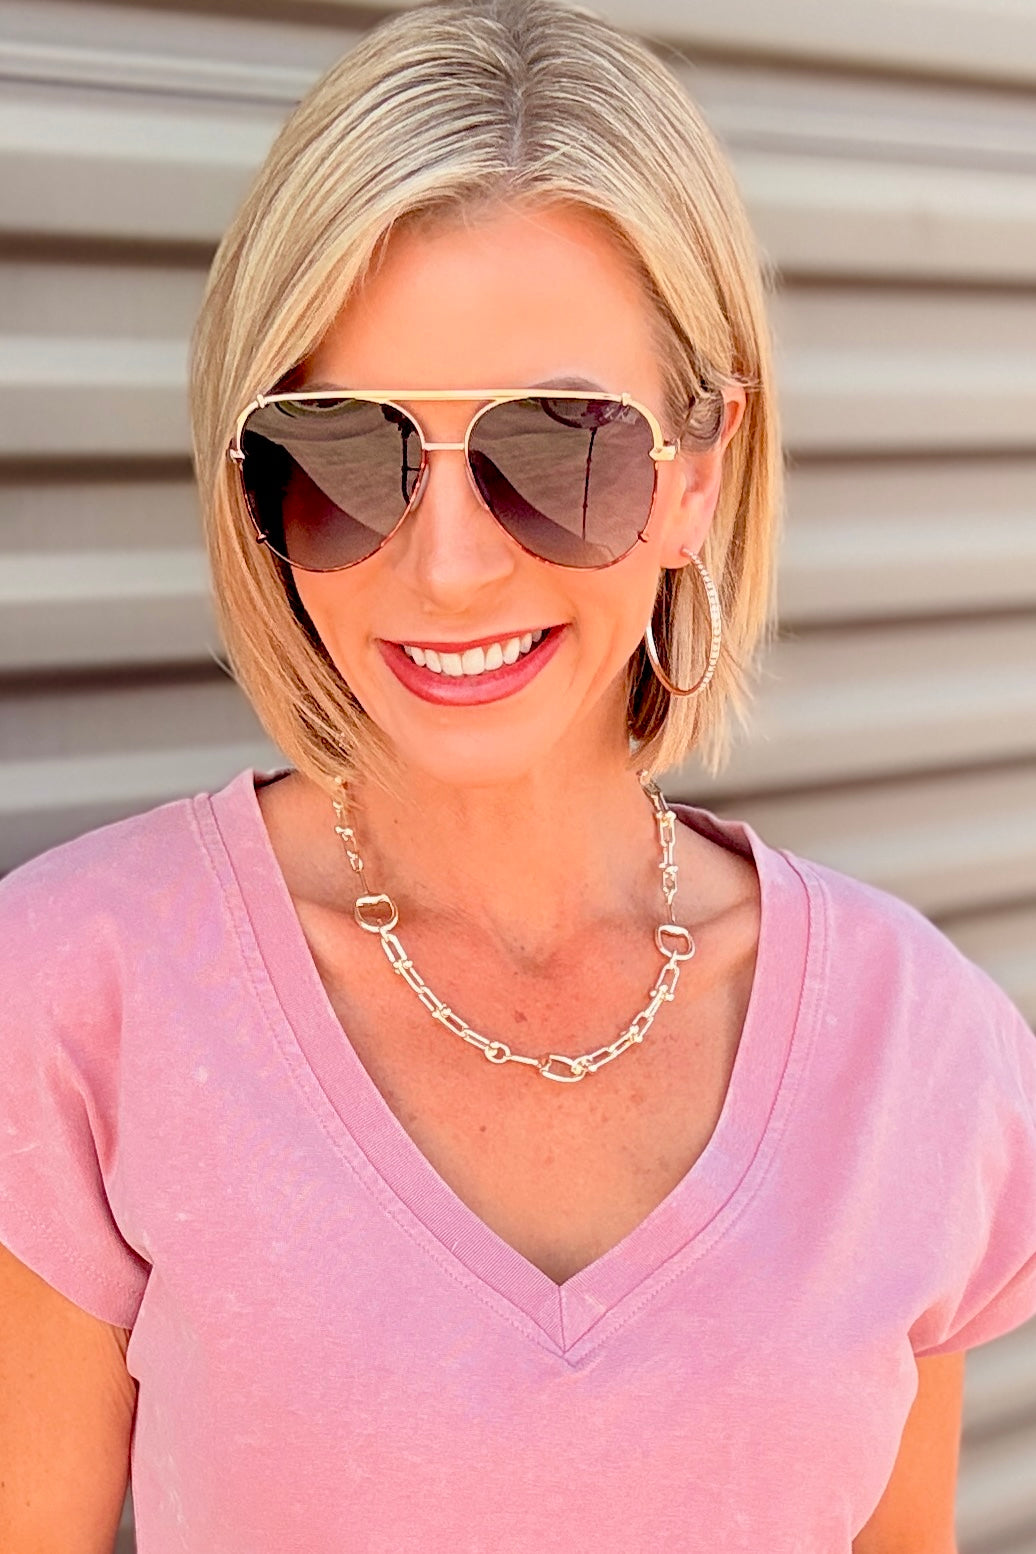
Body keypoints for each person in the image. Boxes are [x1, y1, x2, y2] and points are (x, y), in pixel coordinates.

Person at [2, 1, 1034, 1549]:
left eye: (558, 447)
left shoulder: (916, 1054)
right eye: (345, 450)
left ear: (698, 474)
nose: (449, 564)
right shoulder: (73, 1003)